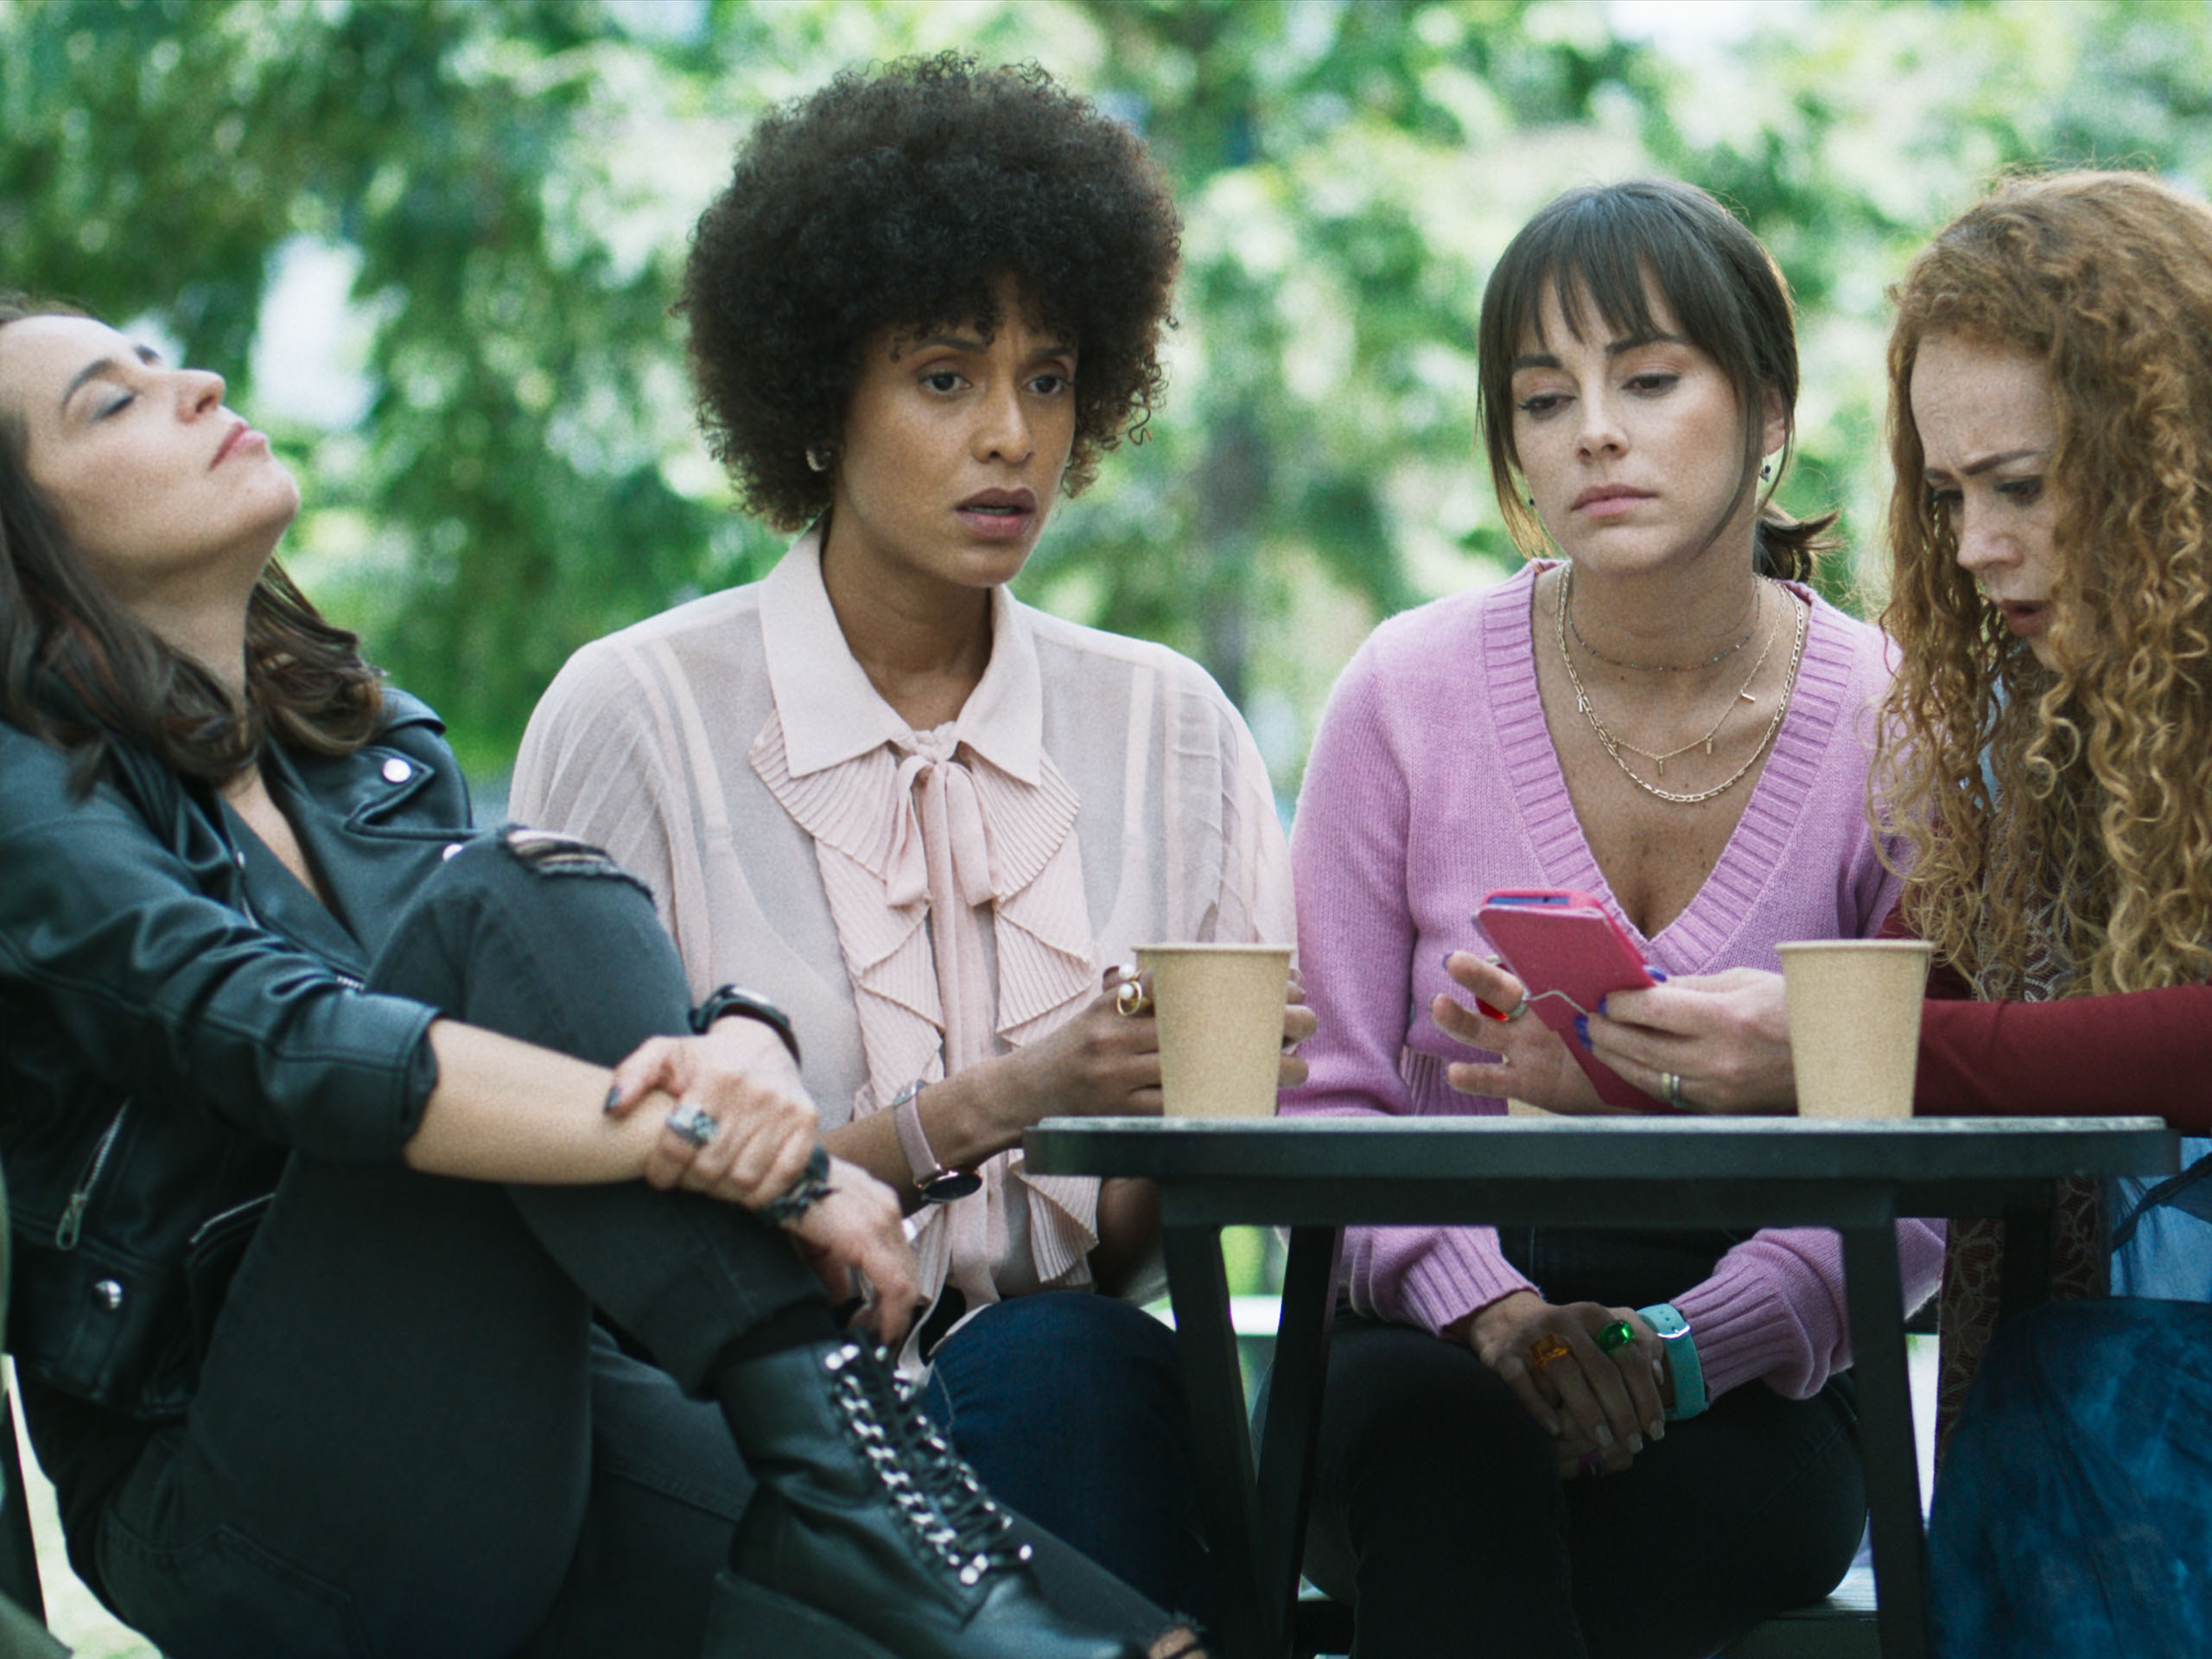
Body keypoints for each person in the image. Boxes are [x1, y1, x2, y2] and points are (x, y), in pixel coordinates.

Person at [0, 296, 1197, 1659]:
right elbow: (291, 1038)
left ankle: (863, 1495)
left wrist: (737, 1038)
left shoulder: (365, 752)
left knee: (1068, 1633)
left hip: (520, 1410)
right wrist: (765, 1164)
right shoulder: (26, 801)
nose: (199, 383)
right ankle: (846, 1469)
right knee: (520, 893)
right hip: (233, 1493)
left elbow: (556, 990)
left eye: (164, 367)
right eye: (115, 401)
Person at [512, 54, 1301, 1627]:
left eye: (1053, 377)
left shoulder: (1169, 726)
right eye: (946, 379)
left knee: (1054, 1357)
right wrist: (1002, 1100)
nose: (1013, 437)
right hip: (746, 1428)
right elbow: (588, 1197)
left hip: (1075, 1413)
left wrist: (1197, 1098)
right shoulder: (641, 713)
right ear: (819, 396)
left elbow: (1153, 1245)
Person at [1275, 178, 1943, 1659]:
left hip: (1759, 1368)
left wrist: (1696, 1345)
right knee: (1457, 1474)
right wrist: (1494, 1312)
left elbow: (1931, 1147)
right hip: (1420, 1341)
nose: (1593, 431)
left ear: (1767, 408)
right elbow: (1324, 1097)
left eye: (1648, 379)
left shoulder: (1897, 721)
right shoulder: (1404, 691)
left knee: (1653, 1533)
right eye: (1540, 395)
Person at [1554, 170, 2212, 1658]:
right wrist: (1646, 1058)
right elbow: (1952, 1036)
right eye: (1951, 492)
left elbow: (1964, 1053)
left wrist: (1868, 1052)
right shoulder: (2012, 734)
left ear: (2175, 458)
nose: (1976, 545)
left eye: (2025, 487)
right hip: (2081, 1453)